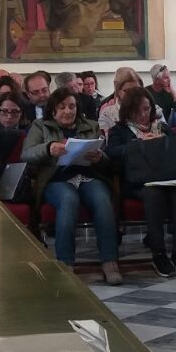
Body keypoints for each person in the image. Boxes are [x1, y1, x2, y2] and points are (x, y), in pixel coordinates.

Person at [21, 87, 120, 284]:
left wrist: (99, 157)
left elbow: (107, 161)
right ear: (53, 110)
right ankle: (65, 264)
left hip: (87, 176)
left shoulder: (91, 125)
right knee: (68, 200)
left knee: (102, 200)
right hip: (56, 179)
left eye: (72, 106)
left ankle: (109, 261)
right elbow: (26, 154)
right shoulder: (40, 126)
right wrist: (48, 148)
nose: (68, 111)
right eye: (62, 107)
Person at [106, 88, 176, 278]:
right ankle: (158, 253)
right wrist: (139, 144)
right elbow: (111, 153)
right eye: (137, 111)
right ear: (128, 111)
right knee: (153, 195)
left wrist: (161, 141)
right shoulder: (119, 130)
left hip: (168, 177)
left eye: (146, 109)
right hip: (139, 182)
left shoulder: (161, 127)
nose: (143, 115)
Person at [97, 67, 143, 133]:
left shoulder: (153, 109)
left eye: (136, 90)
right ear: (118, 91)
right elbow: (105, 136)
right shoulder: (107, 113)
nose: (132, 94)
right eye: (127, 91)